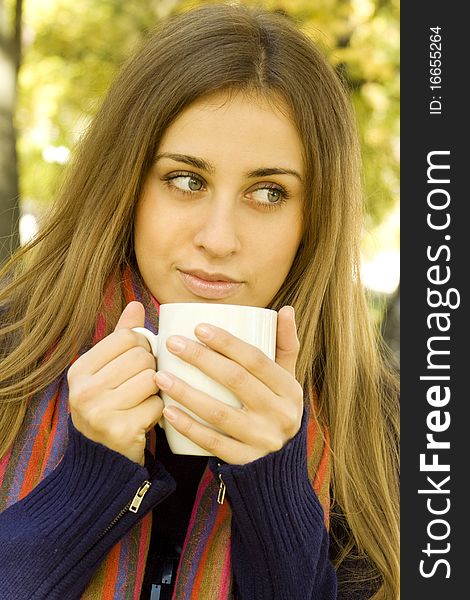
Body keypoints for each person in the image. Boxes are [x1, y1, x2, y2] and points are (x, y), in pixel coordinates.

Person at [0, 3, 399, 599]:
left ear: (313, 218)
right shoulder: (11, 357)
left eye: (268, 192)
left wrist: (275, 488)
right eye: (186, 180)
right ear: (127, 185)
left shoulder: (383, 429)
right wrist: (88, 484)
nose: (218, 238)